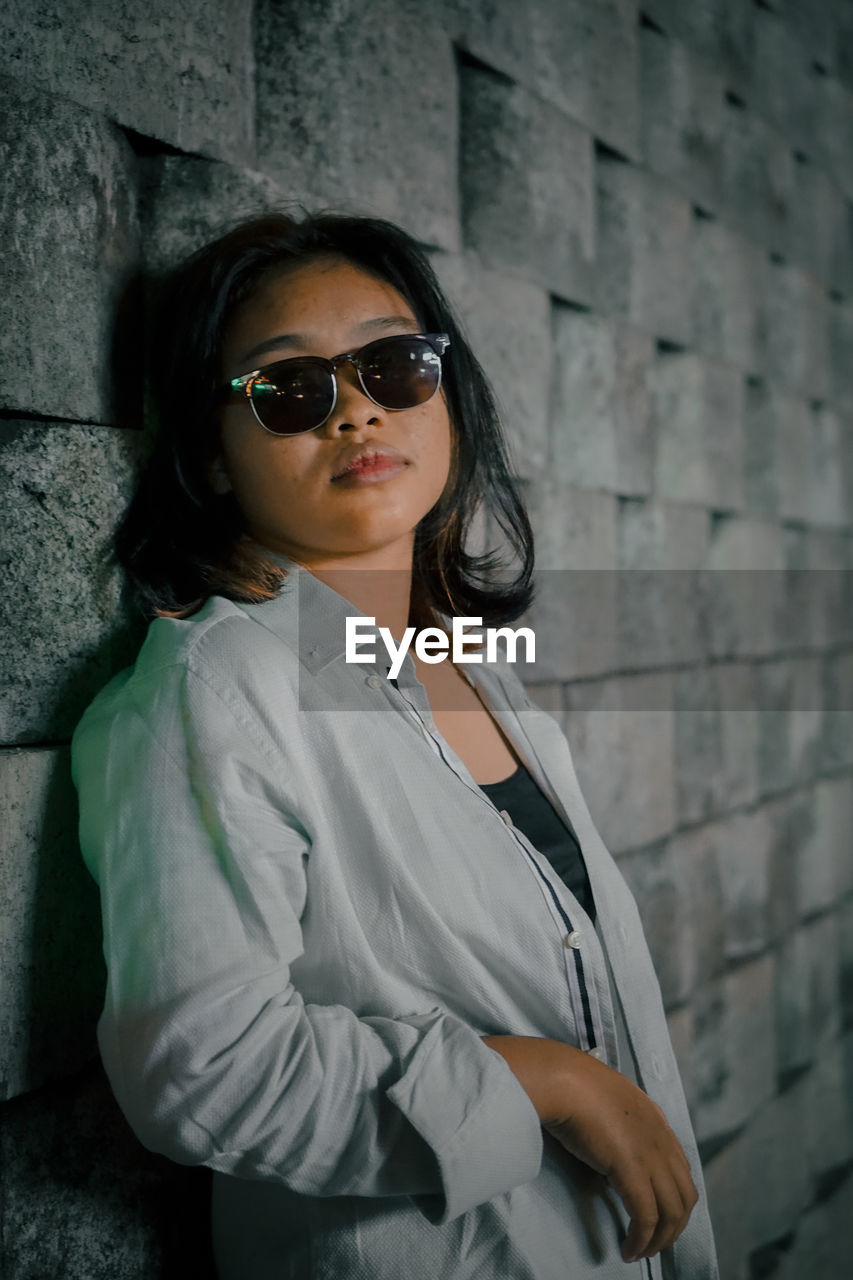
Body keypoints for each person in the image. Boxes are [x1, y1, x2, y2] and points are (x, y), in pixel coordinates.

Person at [71, 209, 719, 1279]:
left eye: (394, 364)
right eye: (291, 389)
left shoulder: (478, 672)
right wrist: (537, 1081)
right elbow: (199, 1065)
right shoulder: (211, 688)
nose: (358, 409)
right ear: (211, 455)